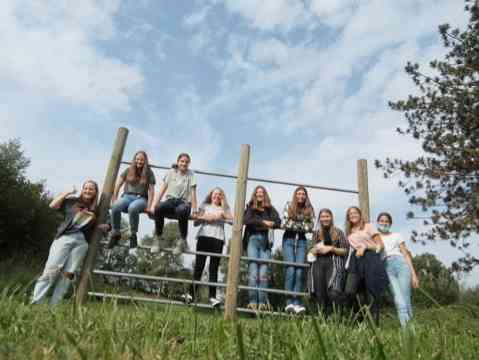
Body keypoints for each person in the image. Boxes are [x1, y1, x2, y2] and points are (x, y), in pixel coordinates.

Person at [31, 180, 110, 306]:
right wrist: (67, 193)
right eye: (86, 188)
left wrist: (106, 226)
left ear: (96, 192)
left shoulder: (97, 209)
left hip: (82, 243)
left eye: (91, 189)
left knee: (67, 275)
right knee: (52, 269)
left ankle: (54, 307)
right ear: (82, 189)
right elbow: (53, 205)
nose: (88, 191)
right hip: (65, 238)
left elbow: (105, 225)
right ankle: (36, 302)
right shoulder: (72, 201)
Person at [182, 187, 233, 307]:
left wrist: (222, 215)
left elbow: (232, 221)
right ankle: (191, 294)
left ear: (222, 197)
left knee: (214, 269)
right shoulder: (204, 206)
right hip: (204, 237)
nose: (217, 196)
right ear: (211, 195)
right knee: (199, 266)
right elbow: (195, 222)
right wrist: (206, 217)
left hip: (218, 239)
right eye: (215, 194)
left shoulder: (224, 208)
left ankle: (212, 297)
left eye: (219, 194)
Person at [344, 206, 388, 325]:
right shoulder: (349, 231)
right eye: (350, 214)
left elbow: (380, 246)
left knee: (371, 292)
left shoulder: (368, 226)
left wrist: (365, 247)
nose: (353, 215)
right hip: (356, 260)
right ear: (348, 217)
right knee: (350, 290)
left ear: (360, 214)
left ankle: (374, 325)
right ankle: (359, 320)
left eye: (355, 213)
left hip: (370, 258)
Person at [149, 153, 198, 255]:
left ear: (189, 164)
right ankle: (158, 238)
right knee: (159, 208)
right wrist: (154, 205)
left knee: (182, 210)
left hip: (184, 202)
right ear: (178, 162)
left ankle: (182, 240)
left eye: (186, 162)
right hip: (170, 201)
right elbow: (163, 189)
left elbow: (193, 193)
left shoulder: (191, 175)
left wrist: (195, 209)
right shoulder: (171, 172)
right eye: (182, 161)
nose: (184, 163)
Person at [108, 151, 155, 255]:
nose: (139, 161)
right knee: (115, 206)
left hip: (141, 199)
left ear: (145, 161)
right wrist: (114, 199)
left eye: (142, 159)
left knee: (132, 208)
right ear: (134, 160)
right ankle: (116, 233)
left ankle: (133, 234)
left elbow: (151, 191)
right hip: (127, 196)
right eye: (137, 159)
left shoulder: (149, 172)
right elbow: (118, 185)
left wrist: (149, 206)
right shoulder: (128, 170)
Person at [377, 212, 419, 327]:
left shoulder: (397, 235)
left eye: (386, 221)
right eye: (381, 221)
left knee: (406, 299)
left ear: (390, 223)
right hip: (387, 267)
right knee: (398, 300)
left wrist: (413, 274)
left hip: (401, 265)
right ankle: (407, 331)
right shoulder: (376, 237)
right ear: (378, 222)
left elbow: (405, 254)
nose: (384, 223)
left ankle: (411, 331)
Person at [243, 185, 281, 312]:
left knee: (263, 273)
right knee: (253, 271)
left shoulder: (270, 209)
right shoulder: (250, 207)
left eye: (262, 192)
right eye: (258, 192)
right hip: (252, 240)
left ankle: (263, 303)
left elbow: (278, 222)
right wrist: (265, 223)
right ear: (255, 194)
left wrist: (265, 223)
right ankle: (253, 302)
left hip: (266, 242)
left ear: (265, 195)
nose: (260, 194)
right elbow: (247, 220)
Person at [307, 208, 349, 316]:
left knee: (333, 291)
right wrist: (315, 249)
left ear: (331, 218)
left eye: (327, 216)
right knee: (319, 292)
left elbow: (345, 250)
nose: (325, 218)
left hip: (334, 262)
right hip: (318, 263)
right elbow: (311, 249)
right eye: (322, 216)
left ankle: (336, 317)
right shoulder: (316, 233)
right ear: (319, 219)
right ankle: (322, 319)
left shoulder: (338, 232)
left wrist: (331, 249)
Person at [281, 186, 315, 314]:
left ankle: (297, 302)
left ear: (306, 196)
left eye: (303, 194)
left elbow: (310, 226)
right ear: (295, 195)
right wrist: (301, 224)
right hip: (289, 239)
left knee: (300, 270)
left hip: (301, 240)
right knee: (291, 268)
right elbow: (285, 223)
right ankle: (289, 301)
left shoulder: (309, 209)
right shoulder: (289, 205)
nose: (301, 196)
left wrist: (294, 222)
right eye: (299, 193)